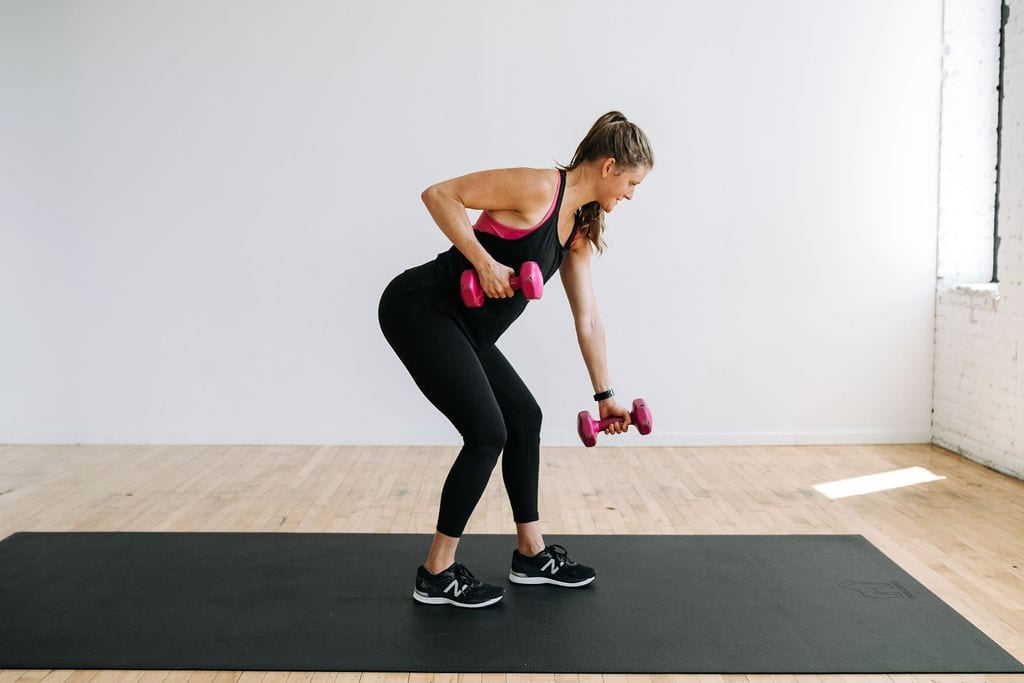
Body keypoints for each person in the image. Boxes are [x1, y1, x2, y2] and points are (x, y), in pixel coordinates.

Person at [377, 111, 654, 608]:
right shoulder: (538, 189)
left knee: (524, 419)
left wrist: (606, 396)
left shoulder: (579, 230)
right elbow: (439, 194)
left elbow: (587, 318)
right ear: (610, 166)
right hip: (420, 307)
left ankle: (531, 555)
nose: (632, 194)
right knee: (487, 432)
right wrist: (483, 262)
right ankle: (435, 573)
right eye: (633, 182)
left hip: (467, 331)